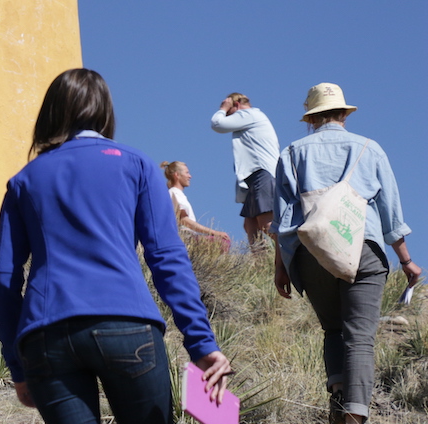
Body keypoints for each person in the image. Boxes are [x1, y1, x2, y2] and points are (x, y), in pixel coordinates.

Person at [0, 68, 230, 423]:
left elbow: (3, 275)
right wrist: (201, 343)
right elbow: (166, 258)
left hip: (46, 331)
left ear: (52, 111)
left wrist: (17, 364)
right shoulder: (138, 166)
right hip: (127, 322)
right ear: (105, 111)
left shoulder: (25, 180)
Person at [273, 82, 421, 424]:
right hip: (363, 250)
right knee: (361, 337)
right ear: (343, 113)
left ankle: (338, 396)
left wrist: (281, 268)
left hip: (310, 252)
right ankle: (354, 416)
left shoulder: (292, 152)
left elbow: (281, 221)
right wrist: (406, 260)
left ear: (311, 118)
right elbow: (390, 215)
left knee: (333, 330)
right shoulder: (370, 149)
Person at [211, 92, 280, 249]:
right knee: (250, 225)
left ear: (236, 105)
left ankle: (294, 258)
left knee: (266, 224)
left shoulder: (249, 114)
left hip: (262, 173)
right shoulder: (252, 117)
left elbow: (217, 124)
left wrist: (223, 108)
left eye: (229, 112)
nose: (228, 116)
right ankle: (262, 265)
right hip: (255, 176)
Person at [160, 161, 231, 246]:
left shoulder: (177, 194)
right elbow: (183, 219)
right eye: (187, 173)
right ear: (177, 175)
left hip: (188, 237)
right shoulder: (174, 193)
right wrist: (214, 232)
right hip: (185, 237)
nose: (190, 176)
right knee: (222, 242)